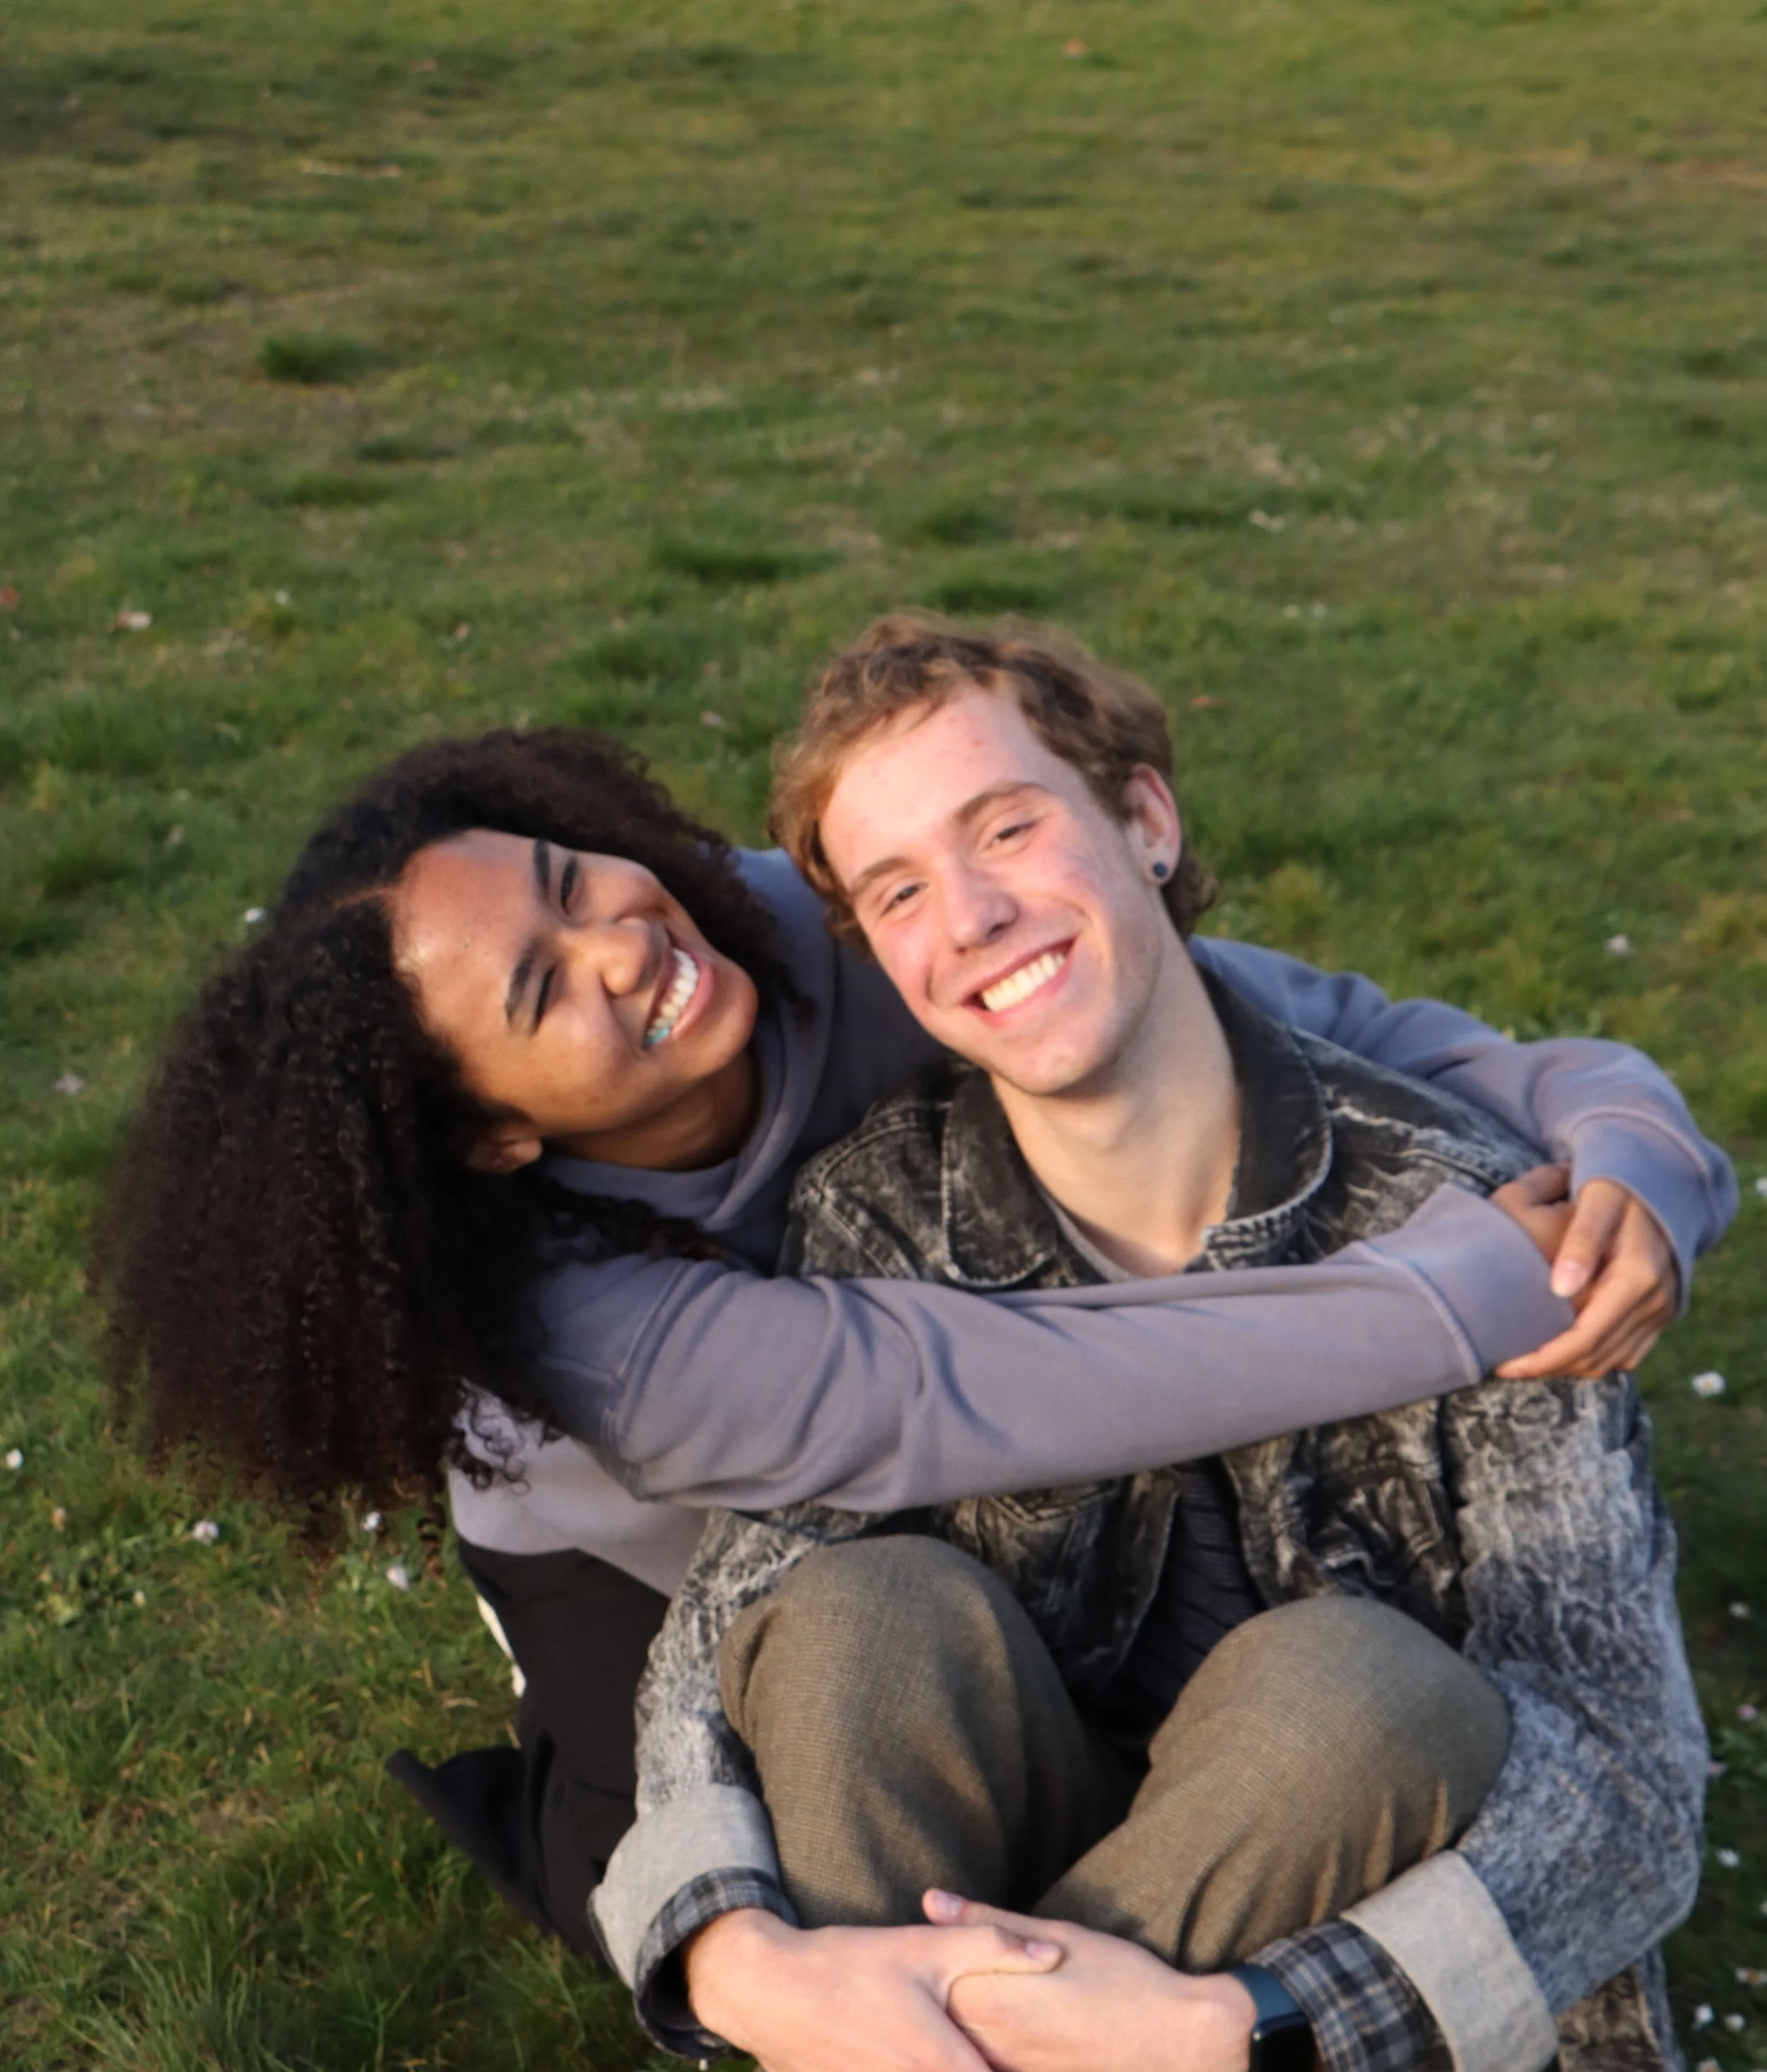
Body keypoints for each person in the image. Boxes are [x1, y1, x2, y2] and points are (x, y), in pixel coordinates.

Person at [472, 620, 1720, 2072]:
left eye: (1007, 826)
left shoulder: (1484, 1224)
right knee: (855, 1610)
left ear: (1142, 819)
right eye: (894, 889)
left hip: (1362, 2034)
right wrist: (745, 1947)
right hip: (1043, 1840)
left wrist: (1233, 2026)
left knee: (1353, 1680)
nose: (968, 917)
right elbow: (714, 1651)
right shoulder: (880, 1209)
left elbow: (1636, 1800)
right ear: (870, 953)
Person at [99, 715, 1723, 1958]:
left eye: (569, 875)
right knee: (684, 1876)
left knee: (1045, 1709)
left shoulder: (806, 925)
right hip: (646, 1540)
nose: (622, 942)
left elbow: (1307, 1019)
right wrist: (1464, 1297)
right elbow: (977, 1391)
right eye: (540, 993)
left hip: (941, 1416)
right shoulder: (580, 1330)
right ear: (494, 1139)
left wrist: (1631, 1153)